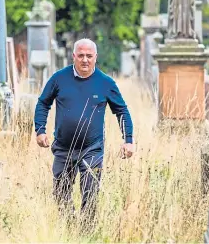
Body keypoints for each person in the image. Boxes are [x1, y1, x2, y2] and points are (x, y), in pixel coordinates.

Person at [33, 38, 135, 231]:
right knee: (60, 192)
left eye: (89, 56)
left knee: (90, 192)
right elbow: (43, 103)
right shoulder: (59, 78)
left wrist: (128, 140)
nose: (85, 60)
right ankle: (69, 227)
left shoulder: (105, 83)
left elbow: (122, 111)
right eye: (81, 55)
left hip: (92, 149)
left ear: (96, 57)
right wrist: (40, 130)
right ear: (74, 57)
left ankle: (86, 233)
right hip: (63, 148)